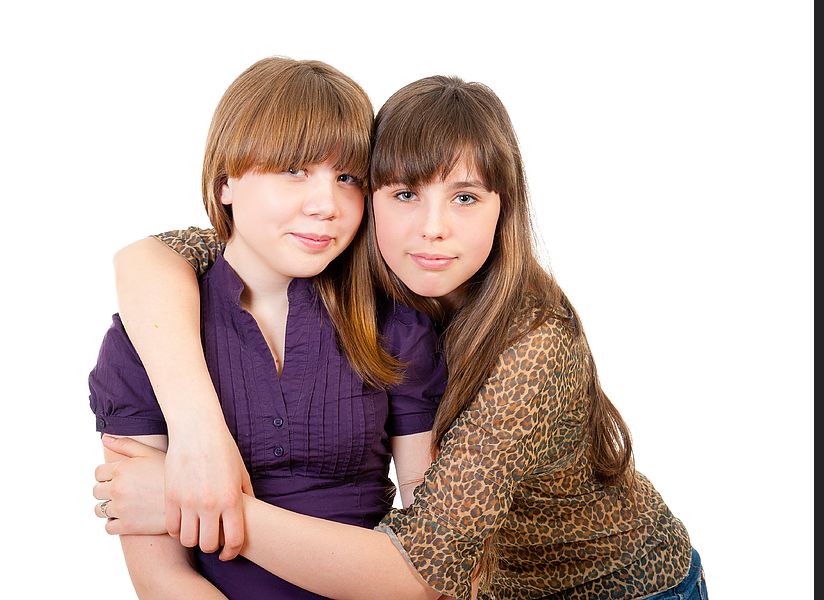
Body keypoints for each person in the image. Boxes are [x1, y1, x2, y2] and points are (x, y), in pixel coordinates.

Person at [95, 75, 707, 599]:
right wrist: (199, 443)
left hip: (608, 584)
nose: (433, 228)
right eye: (405, 193)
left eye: (465, 197)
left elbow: (421, 571)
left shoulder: (533, 348)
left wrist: (201, 505)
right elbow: (157, 257)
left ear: (505, 208)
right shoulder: (322, 255)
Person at [89, 57, 445, 599]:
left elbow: (431, 556)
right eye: (294, 170)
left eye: (348, 177)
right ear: (226, 180)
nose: (326, 205)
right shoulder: (150, 334)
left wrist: (199, 501)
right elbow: (163, 578)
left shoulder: (395, 322)